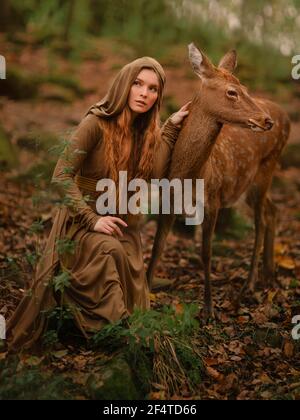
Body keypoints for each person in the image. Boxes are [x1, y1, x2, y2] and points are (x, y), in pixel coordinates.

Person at [6, 56, 190, 352]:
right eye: (138, 84)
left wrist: (168, 129)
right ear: (123, 86)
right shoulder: (96, 122)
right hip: (80, 224)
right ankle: (116, 333)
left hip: (119, 224)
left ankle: (121, 330)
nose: (144, 93)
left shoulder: (146, 133)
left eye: (153, 89)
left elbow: (155, 173)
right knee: (109, 251)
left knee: (124, 254)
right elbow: (60, 175)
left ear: (158, 96)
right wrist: (93, 220)